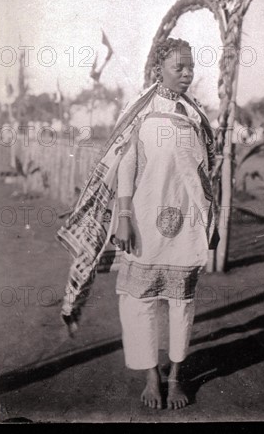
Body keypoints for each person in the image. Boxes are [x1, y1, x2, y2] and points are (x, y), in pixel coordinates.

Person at [57, 37, 217, 411]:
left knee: (182, 303)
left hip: (188, 222)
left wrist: (213, 220)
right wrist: (124, 216)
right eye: (180, 67)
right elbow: (125, 166)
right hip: (143, 219)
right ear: (159, 66)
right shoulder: (140, 111)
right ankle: (151, 376)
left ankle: (175, 376)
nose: (187, 73)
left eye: (191, 67)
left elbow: (207, 173)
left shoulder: (195, 115)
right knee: (139, 302)